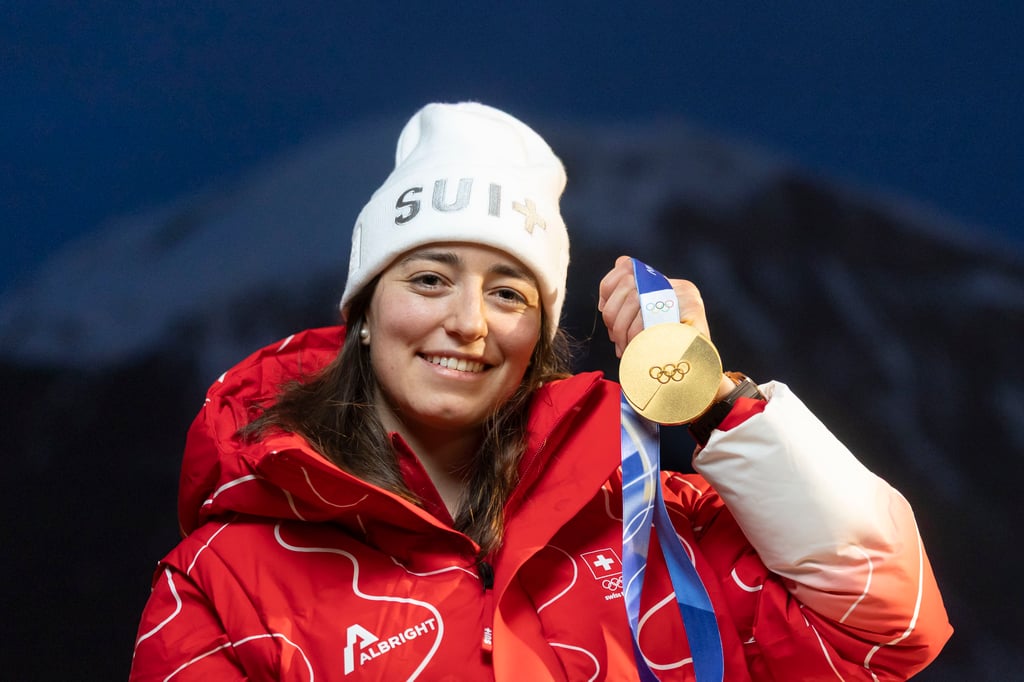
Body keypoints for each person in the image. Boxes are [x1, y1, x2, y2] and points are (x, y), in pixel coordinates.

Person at [129, 102, 951, 681]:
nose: (468, 323)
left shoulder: (657, 529)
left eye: (509, 294)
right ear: (365, 315)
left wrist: (706, 395)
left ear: (540, 342)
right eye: (427, 277)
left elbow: (887, 623)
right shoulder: (223, 580)